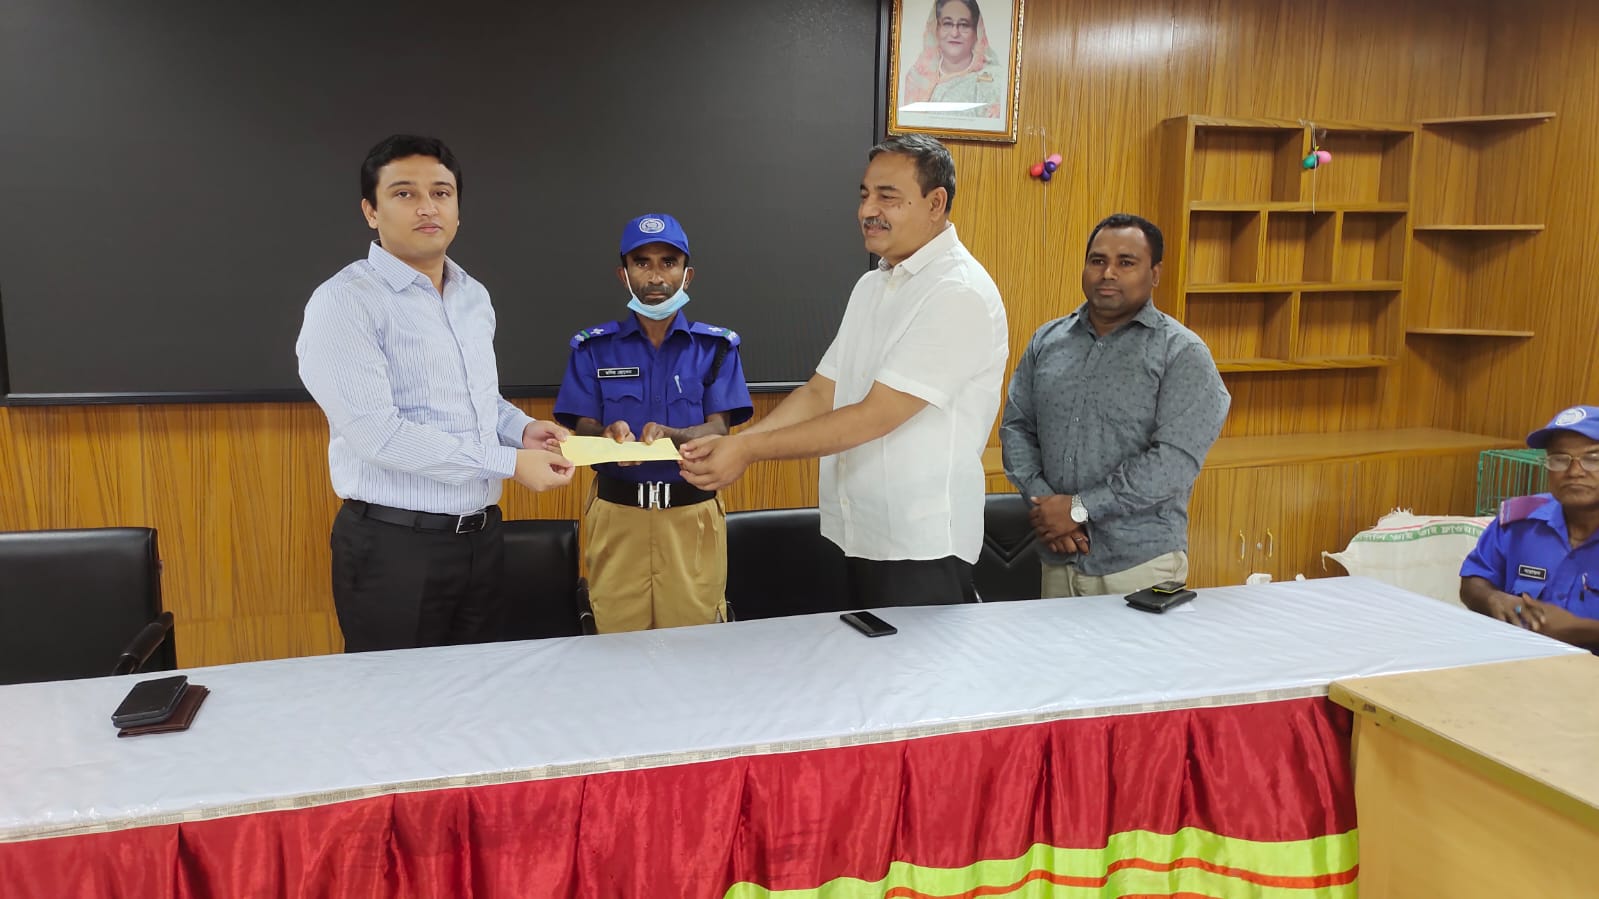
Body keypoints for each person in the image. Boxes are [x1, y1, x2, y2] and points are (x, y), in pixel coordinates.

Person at [680, 134, 1008, 608]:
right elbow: (821, 392)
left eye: (887, 197)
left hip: (920, 546)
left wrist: (747, 450)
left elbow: (874, 416)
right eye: (864, 195)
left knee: (914, 661)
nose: (867, 211)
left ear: (936, 203)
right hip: (857, 532)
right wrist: (738, 442)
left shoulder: (958, 292)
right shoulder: (872, 286)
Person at [297, 134, 575, 653]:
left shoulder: (473, 296)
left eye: (441, 193)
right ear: (370, 211)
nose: (428, 207)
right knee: (398, 698)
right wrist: (510, 463)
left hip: (482, 540)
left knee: (479, 689)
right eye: (404, 193)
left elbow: (476, 399)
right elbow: (379, 435)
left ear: (458, 209)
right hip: (395, 548)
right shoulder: (344, 302)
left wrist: (521, 430)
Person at [1000, 213, 1230, 598]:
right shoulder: (1048, 341)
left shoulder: (1182, 353)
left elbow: (1173, 462)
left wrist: (1078, 509)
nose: (1108, 273)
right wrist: (1046, 507)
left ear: (1154, 274)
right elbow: (1017, 428)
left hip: (1138, 564)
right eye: (1098, 260)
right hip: (1058, 557)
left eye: (1126, 262)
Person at [553, 214, 752, 632]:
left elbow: (719, 428)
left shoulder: (716, 348)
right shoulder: (593, 348)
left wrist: (672, 435)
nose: (656, 276)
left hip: (691, 516)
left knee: (695, 641)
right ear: (624, 274)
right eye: (642, 263)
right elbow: (583, 424)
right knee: (615, 640)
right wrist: (606, 435)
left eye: (669, 262)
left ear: (687, 274)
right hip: (617, 516)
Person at [1460, 405, 1599, 651]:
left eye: (1593, 459)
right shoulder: (1519, 520)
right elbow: (1474, 581)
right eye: (1559, 459)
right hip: (1515, 660)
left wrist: (1581, 630)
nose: (1574, 472)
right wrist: (1493, 598)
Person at [899, 0, 1006, 118]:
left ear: (977, 31)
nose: (955, 33)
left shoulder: (995, 81)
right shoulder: (916, 77)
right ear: (936, 29)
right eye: (947, 24)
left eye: (964, 25)